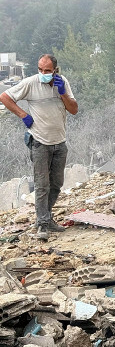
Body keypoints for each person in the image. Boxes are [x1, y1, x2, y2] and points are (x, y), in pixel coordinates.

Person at [0, 54, 78, 239]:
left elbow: (74, 109)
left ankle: (46, 218)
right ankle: (42, 223)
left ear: (55, 71)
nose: (43, 73)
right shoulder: (31, 83)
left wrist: (63, 94)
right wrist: (23, 115)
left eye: (47, 71)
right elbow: (5, 97)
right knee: (42, 185)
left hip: (59, 142)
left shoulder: (62, 82)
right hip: (40, 142)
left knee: (56, 184)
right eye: (40, 69)